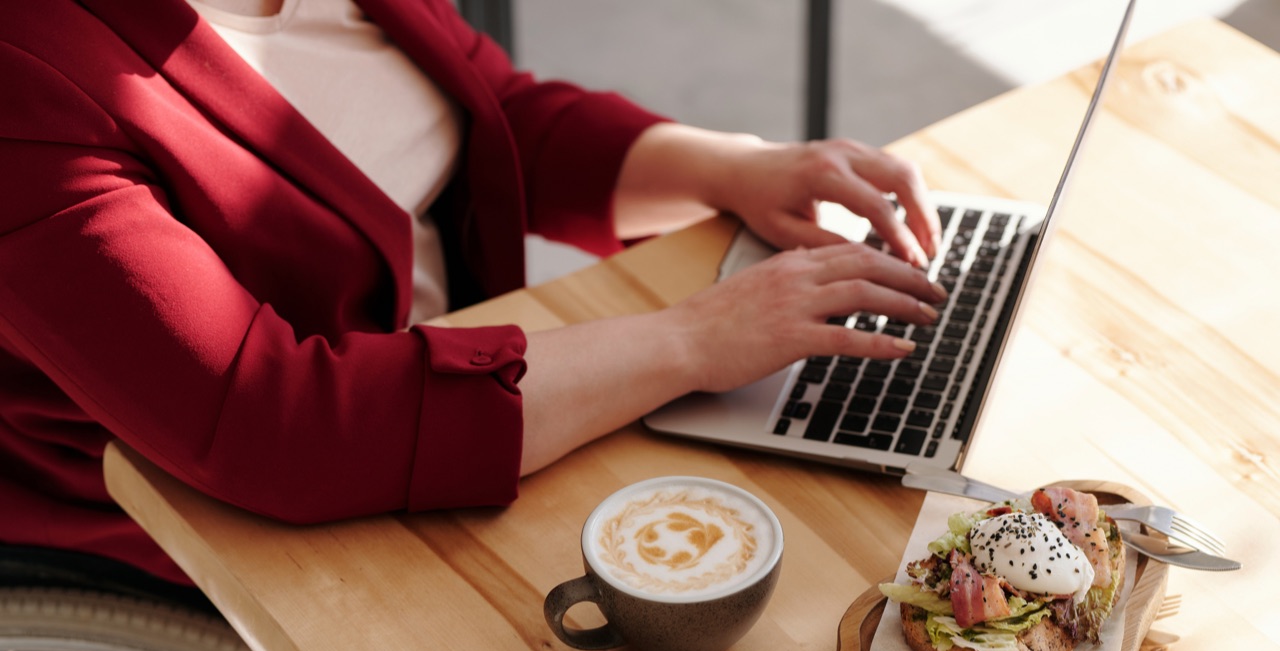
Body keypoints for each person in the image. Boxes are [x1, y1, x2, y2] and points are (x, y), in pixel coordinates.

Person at [0, 0, 945, 588]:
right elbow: (272, 423)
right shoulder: (27, 74)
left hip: (460, 416)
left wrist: (734, 168)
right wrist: (692, 342)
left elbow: (488, 118)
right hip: (233, 531)